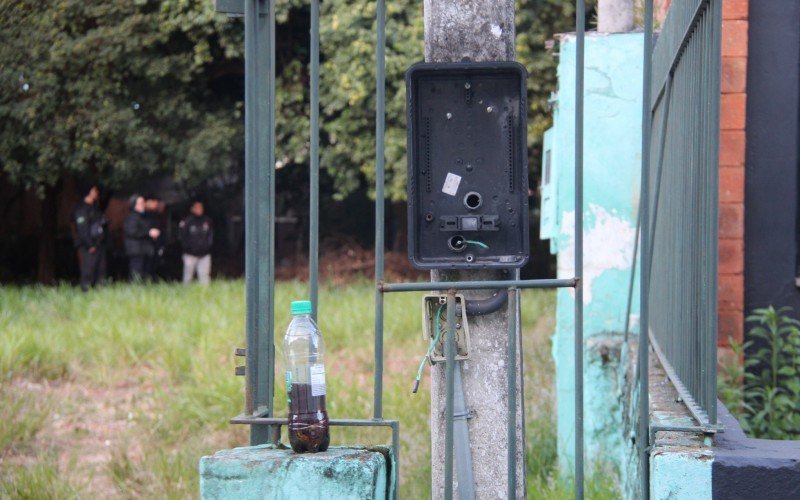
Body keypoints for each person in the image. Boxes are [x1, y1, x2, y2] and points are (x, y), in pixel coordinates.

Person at [70, 185, 107, 291]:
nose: (97, 192)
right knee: (88, 271)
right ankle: (86, 292)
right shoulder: (81, 209)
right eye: (94, 190)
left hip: (98, 244)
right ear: (88, 192)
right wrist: (89, 245)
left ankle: (99, 292)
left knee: (100, 271)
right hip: (88, 246)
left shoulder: (95, 208)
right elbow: (82, 229)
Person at [124, 194, 160, 281]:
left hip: (144, 249)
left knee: (145, 274)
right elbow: (132, 232)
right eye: (141, 203)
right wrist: (149, 233)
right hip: (136, 250)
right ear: (135, 205)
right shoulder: (132, 217)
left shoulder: (143, 217)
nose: (143, 204)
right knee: (136, 273)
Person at [178, 199, 213, 284]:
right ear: (192, 209)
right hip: (190, 254)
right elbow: (182, 238)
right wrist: (189, 249)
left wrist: (207, 247)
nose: (199, 209)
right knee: (188, 277)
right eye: (197, 207)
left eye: (201, 207)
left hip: (204, 254)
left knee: (204, 277)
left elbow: (210, 237)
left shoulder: (207, 221)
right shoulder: (186, 222)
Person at [144, 194, 166, 280]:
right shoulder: (143, 216)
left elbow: (162, 232)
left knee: (155, 267)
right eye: (153, 202)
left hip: (157, 246)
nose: (156, 204)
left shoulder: (158, 216)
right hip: (146, 246)